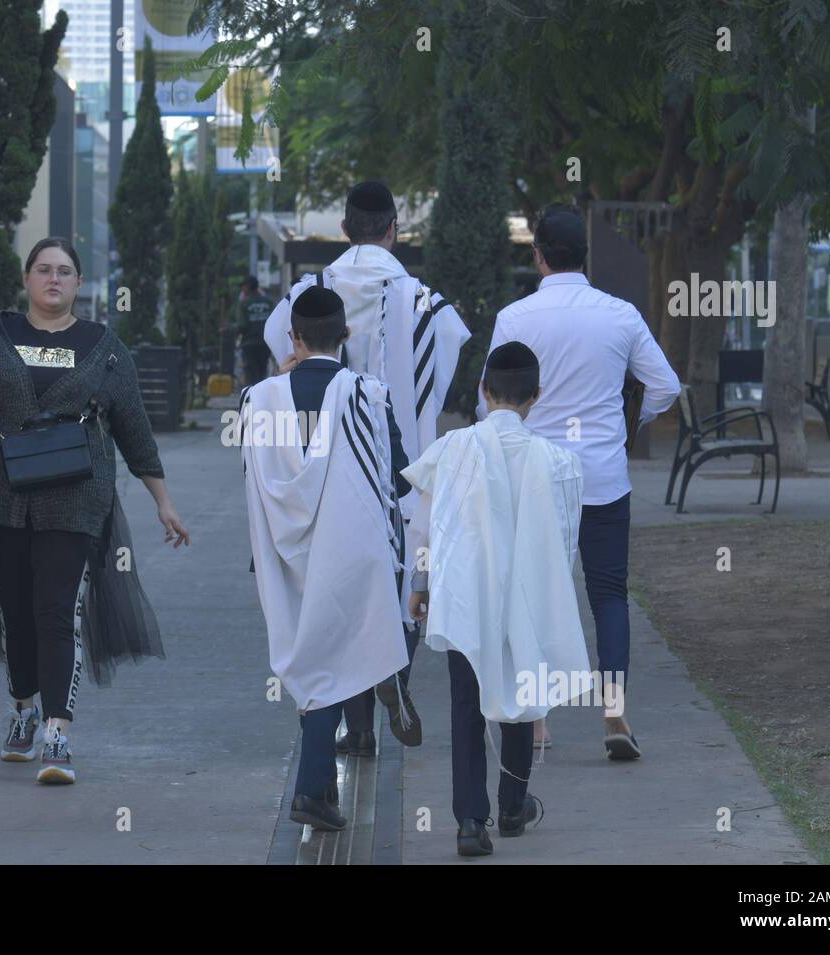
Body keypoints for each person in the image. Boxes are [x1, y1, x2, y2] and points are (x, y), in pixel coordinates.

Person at [0, 237, 189, 785]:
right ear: (27, 279)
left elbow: (134, 430)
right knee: (16, 617)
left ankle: (58, 731)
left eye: (65, 272)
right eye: (44, 270)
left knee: (56, 613)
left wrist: (163, 502)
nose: (54, 280)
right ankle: (23, 708)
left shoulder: (105, 347)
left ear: (79, 284)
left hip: (75, 499)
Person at [264, 180, 470, 755]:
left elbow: (275, 340)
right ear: (394, 229)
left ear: (344, 230)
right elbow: (448, 352)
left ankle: (351, 724)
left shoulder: (312, 288)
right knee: (398, 572)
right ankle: (390, 684)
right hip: (400, 461)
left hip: (323, 464)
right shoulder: (421, 299)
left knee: (332, 585)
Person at [477, 204, 680, 760]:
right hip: (602, 478)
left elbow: (486, 402)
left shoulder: (515, 318)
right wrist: (624, 426)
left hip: (534, 480)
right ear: (584, 257)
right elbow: (665, 386)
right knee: (609, 596)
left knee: (534, 595)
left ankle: (538, 722)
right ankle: (614, 710)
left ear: (538, 255)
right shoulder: (619, 315)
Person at [405, 342, 590, 857]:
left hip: (465, 598)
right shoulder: (561, 463)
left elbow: (423, 531)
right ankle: (512, 804)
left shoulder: (451, 448)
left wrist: (420, 588)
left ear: (485, 392)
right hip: (527, 597)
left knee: (467, 704)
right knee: (521, 695)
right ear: (536, 396)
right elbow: (564, 544)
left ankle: (470, 821)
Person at [241, 285, 411, 831]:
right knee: (334, 661)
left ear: (292, 337)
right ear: (347, 335)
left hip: (278, 555)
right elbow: (397, 475)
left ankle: (316, 789)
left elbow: (251, 480)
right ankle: (314, 789)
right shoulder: (367, 393)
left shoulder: (258, 398)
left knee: (315, 663)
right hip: (349, 550)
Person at [231, 275, 274, 385]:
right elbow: (275, 321)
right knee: (262, 370)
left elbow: (242, 326)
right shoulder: (269, 302)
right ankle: (262, 394)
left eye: (243, 286)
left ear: (248, 287)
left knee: (251, 373)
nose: (242, 289)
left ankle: (253, 397)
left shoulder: (244, 303)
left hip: (249, 344)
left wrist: (231, 330)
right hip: (266, 343)